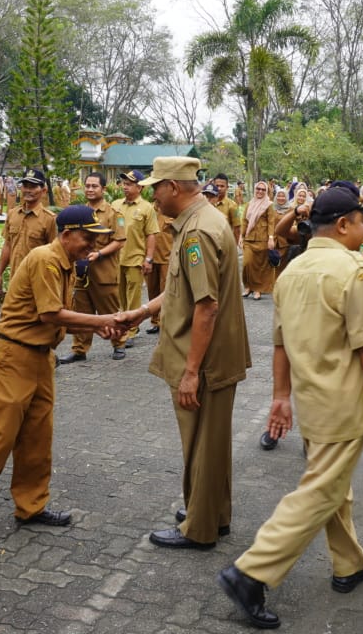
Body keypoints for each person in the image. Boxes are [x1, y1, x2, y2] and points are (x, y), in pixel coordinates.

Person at [217, 187, 363, 630]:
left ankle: (350, 564)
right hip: (343, 403)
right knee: (320, 489)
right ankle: (251, 573)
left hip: (310, 399)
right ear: (343, 224)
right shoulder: (352, 270)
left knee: (331, 482)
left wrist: (281, 397)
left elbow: (280, 344)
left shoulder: (292, 271)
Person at [0, 206, 122, 541]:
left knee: (37, 439)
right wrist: (104, 321)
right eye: (87, 238)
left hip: (41, 357)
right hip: (13, 357)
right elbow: (49, 314)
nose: (91, 245)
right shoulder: (46, 259)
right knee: (0, 439)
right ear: (67, 233)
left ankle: (30, 506)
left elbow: (55, 316)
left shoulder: (67, 263)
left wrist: (93, 327)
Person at [119, 156, 251, 550]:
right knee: (211, 442)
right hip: (211, 355)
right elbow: (181, 290)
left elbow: (206, 306)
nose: (153, 196)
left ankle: (199, 528)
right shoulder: (199, 223)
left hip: (206, 360)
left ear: (173, 187)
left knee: (202, 443)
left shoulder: (197, 233)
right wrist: (142, 311)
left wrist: (192, 371)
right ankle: (211, 511)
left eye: (156, 188)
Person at [59, 172, 126, 364]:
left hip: (104, 273)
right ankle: (79, 349)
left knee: (111, 311)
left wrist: (100, 253)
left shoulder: (114, 214)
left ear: (103, 189)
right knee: (81, 311)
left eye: (94, 186)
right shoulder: (80, 213)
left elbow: (119, 241)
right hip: (81, 273)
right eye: (87, 186)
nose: (89, 189)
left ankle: (119, 343)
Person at [113, 170, 158, 350]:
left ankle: (131, 331)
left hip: (135, 258)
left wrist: (148, 258)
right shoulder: (115, 205)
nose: (125, 187)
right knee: (119, 295)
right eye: (124, 183)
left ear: (140, 187)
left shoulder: (147, 208)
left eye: (129, 184)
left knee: (134, 297)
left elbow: (151, 235)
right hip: (117, 259)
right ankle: (123, 324)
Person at [0, 168, 55, 294]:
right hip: (15, 278)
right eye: (25, 186)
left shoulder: (50, 219)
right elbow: (8, 245)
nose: (27, 190)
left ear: (43, 190)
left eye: (32, 187)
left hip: (38, 281)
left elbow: (55, 253)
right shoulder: (13, 214)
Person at [240, 181, 279, 300]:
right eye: (258, 189)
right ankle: (248, 286)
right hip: (249, 238)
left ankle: (257, 289)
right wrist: (241, 236)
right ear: (255, 190)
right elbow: (245, 221)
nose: (260, 191)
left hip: (263, 239)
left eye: (263, 189)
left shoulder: (268, 205)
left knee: (260, 266)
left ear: (266, 191)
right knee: (247, 263)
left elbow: (271, 222)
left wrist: (271, 238)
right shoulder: (249, 204)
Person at [144, 198, 175, 335]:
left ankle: (166, 321)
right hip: (150, 257)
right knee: (152, 290)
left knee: (166, 291)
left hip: (167, 257)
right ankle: (155, 320)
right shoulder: (148, 210)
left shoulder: (172, 210)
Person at [211, 173, 243, 244]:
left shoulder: (232, 205)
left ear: (227, 187)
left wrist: (234, 247)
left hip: (224, 244)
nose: (219, 188)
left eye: (222, 186)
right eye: (217, 186)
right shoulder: (208, 203)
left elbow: (237, 228)